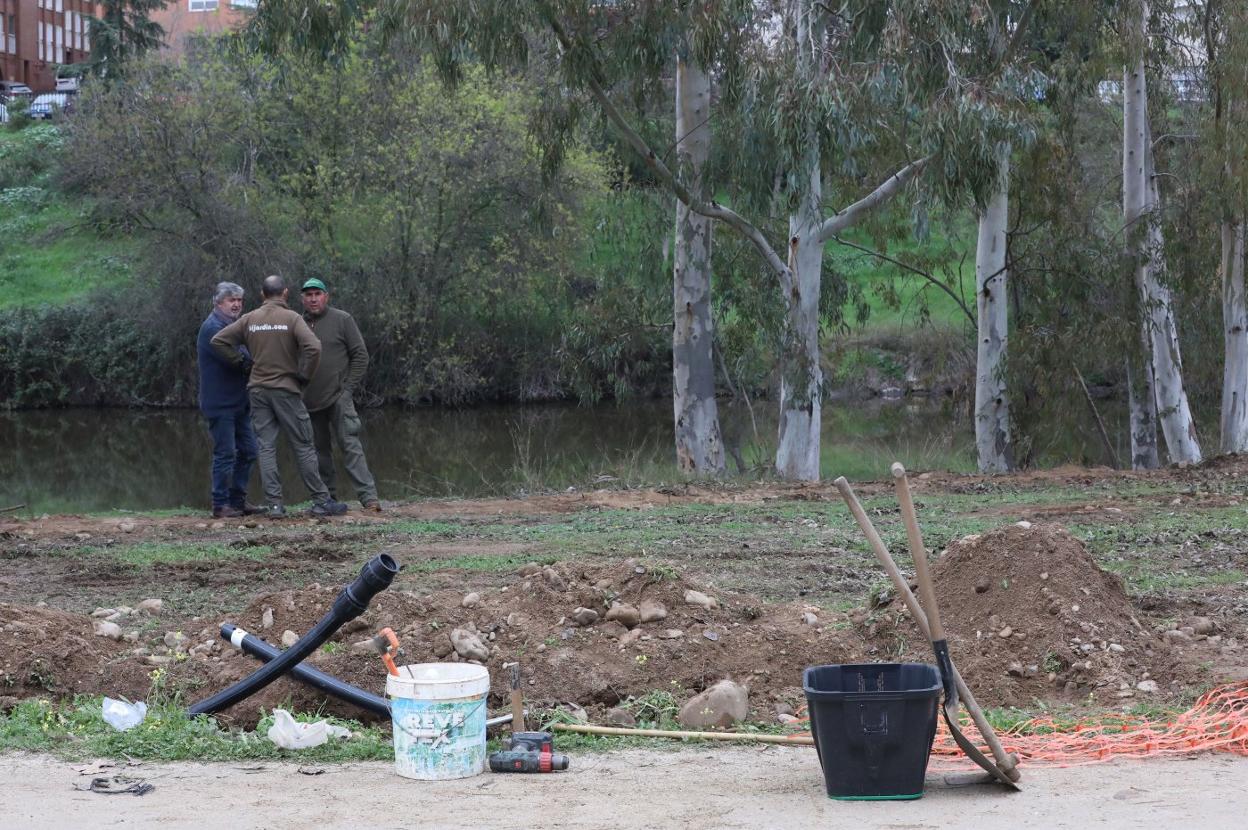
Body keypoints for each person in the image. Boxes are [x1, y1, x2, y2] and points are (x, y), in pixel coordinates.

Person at [211, 275, 348, 518]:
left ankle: (274, 505)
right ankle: (321, 500)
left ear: (263, 295)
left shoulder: (249, 319)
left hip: (258, 391)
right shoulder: (292, 318)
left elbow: (218, 341)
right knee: (304, 445)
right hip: (286, 389)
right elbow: (314, 347)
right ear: (284, 293)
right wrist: (304, 375)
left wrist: (243, 362)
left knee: (266, 447)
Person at [300, 278, 382, 511]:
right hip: (310, 400)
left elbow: (360, 355)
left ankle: (369, 498)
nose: (313, 299)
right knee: (319, 452)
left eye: (317, 293)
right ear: (302, 299)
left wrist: (347, 391)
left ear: (326, 296)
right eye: (308, 295)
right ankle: (328, 499)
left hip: (339, 398)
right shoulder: (297, 322)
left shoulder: (342, 319)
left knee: (351, 447)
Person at [196, 282, 259, 519]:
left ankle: (238, 500)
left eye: (239, 300)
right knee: (225, 454)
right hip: (220, 403)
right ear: (218, 302)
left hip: (239, 402)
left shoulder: (234, 326)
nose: (236, 304)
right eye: (231, 300)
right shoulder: (213, 328)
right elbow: (240, 359)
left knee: (249, 450)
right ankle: (220, 504)